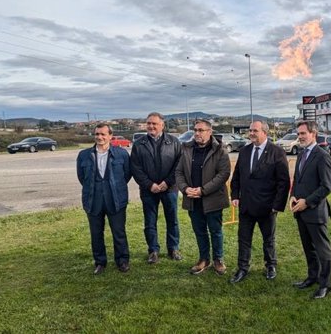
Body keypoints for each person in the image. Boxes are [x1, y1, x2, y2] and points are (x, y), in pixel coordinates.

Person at [229, 121, 290, 283]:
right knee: (243, 239)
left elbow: (283, 182)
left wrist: (277, 205)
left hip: (267, 207)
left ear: (265, 132)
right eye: (250, 130)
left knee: (268, 239)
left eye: (254, 130)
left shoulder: (277, 152)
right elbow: (236, 177)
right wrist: (234, 195)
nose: (251, 133)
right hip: (246, 205)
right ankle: (242, 268)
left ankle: (270, 265)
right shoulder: (244, 151)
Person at [176, 119, 231, 275]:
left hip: (213, 199)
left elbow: (223, 174)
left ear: (210, 131)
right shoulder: (186, 148)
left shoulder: (220, 149)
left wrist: (203, 190)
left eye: (201, 130)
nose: (197, 133)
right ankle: (204, 259)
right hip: (192, 199)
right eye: (195, 130)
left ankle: (218, 259)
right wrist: (185, 188)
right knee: (199, 231)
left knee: (216, 230)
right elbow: (178, 172)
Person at [76, 123, 132, 275]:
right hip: (93, 200)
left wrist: (113, 187)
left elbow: (126, 175)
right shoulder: (84, 155)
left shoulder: (121, 154)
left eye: (103, 134)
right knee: (96, 233)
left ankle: (122, 260)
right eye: (97, 134)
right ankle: (100, 262)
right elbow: (82, 178)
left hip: (116, 199)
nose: (99, 137)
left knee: (119, 232)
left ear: (110, 136)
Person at [289, 120, 331, 299]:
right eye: (298, 134)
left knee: (323, 250)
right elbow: (297, 179)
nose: (299, 137)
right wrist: (292, 195)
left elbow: (326, 186)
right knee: (309, 248)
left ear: (313, 134)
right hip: (300, 212)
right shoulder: (301, 154)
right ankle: (312, 277)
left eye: (303, 134)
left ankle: (325, 284)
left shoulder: (322, 155)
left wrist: (307, 202)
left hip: (314, 211)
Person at [131, 112, 182, 264]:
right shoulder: (139, 144)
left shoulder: (174, 142)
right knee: (150, 221)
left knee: (172, 220)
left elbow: (179, 165)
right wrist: (149, 184)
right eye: (148, 123)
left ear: (162, 125)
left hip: (170, 188)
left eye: (154, 123)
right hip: (148, 190)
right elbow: (135, 168)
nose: (151, 126)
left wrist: (167, 182)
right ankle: (153, 250)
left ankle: (173, 248)